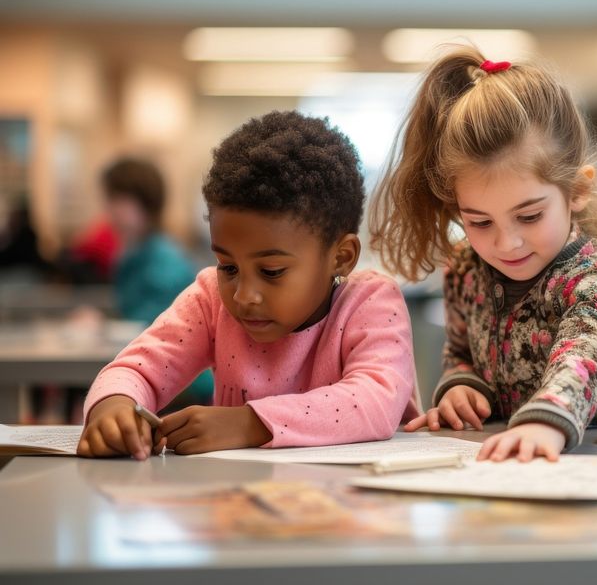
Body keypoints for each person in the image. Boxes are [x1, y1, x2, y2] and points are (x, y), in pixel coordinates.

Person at [78, 111, 418, 460]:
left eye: (271, 271)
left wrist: (248, 424)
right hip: (239, 504)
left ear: (341, 257)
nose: (243, 295)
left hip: (353, 504)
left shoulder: (370, 303)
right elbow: (137, 369)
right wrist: (114, 404)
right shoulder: (211, 300)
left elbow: (377, 400)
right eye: (228, 266)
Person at [369, 46, 597, 462]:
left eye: (529, 216)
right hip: (506, 459)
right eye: (479, 222)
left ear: (578, 190)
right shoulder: (463, 265)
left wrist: (545, 421)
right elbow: (459, 350)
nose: (505, 243)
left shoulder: (595, 275)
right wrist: (462, 386)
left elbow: (582, 361)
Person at [100, 158, 195, 326]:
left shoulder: (165, 262)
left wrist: (102, 325)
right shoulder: (133, 251)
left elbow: (153, 324)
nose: (111, 210)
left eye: (119, 200)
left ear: (146, 203)